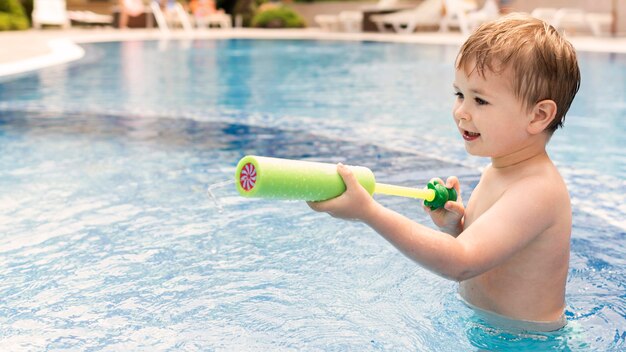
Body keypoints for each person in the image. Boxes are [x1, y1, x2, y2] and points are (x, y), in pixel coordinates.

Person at [308, 12, 580, 332]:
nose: (461, 111)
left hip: (527, 342)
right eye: (460, 94)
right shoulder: (500, 171)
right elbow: (482, 252)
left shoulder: (537, 191)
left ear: (539, 115)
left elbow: (461, 262)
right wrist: (456, 228)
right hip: (490, 328)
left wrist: (368, 212)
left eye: (480, 100)